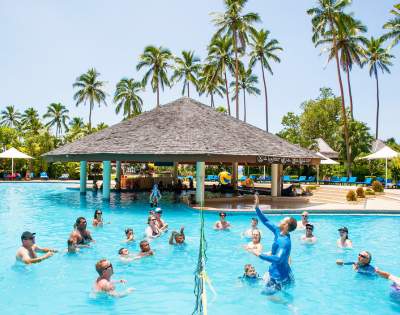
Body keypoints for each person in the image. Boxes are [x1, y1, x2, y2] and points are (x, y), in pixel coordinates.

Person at [252, 193, 297, 295]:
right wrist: (257, 208)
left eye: (283, 220)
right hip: (279, 271)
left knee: (265, 295)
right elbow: (266, 221)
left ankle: (287, 304)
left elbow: (277, 259)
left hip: (279, 277)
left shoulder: (284, 242)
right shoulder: (278, 231)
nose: (281, 220)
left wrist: (259, 254)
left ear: (285, 226)